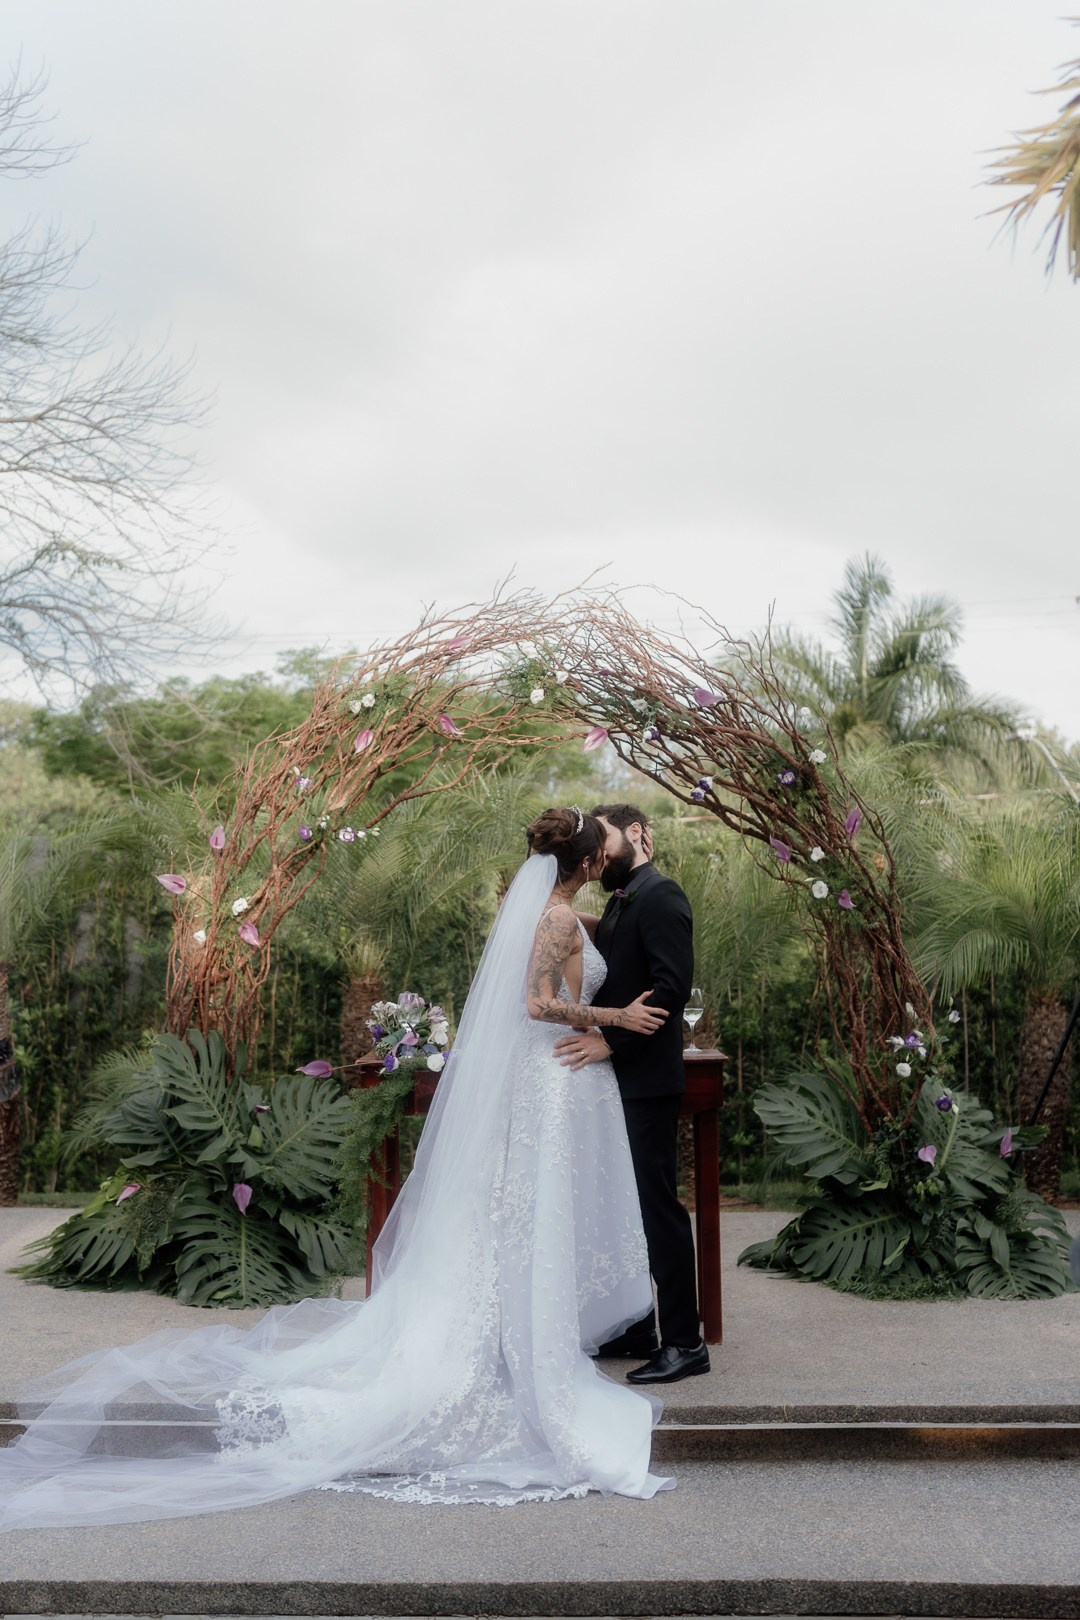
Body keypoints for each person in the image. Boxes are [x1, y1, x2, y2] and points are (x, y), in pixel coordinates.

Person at [0, 807, 676, 1531]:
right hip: (550, 1080)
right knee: (524, 1215)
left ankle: (525, 1336)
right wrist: (614, 1021)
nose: (610, 854)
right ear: (584, 863)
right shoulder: (553, 920)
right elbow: (539, 1004)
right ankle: (518, 1349)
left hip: (554, 1085)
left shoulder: (561, 913)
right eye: (602, 847)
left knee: (522, 1217)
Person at [554, 803, 707, 1385]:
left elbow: (669, 989)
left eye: (607, 837)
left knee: (657, 1207)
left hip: (645, 1079)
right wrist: (559, 914)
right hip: (620, 1081)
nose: (600, 850)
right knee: (623, 1207)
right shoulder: (627, 896)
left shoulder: (663, 895)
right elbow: (616, 944)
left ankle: (686, 1342)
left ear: (638, 833)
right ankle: (637, 1326)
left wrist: (610, 1045)